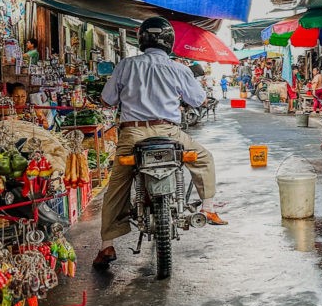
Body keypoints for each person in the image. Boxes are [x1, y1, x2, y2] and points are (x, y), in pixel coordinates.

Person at [94, 17, 226, 271]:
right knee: (204, 157)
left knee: (116, 188)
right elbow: (198, 100)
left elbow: (107, 99)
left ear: (142, 39)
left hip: (132, 136)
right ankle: (208, 207)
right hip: (169, 133)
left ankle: (106, 245)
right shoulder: (178, 68)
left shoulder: (126, 65)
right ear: (169, 42)